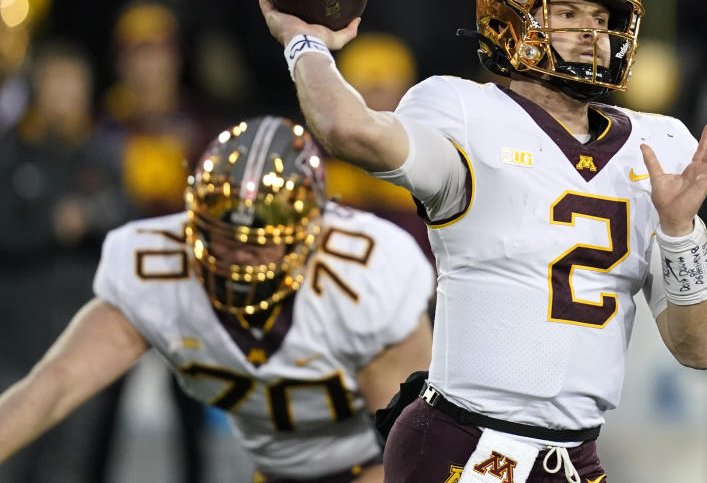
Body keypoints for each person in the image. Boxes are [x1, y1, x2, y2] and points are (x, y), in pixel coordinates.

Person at [259, 0, 707, 482]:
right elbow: (347, 129)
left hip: (575, 461)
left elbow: (703, 347)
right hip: (465, 448)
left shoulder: (657, 149)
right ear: (511, 20)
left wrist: (681, 230)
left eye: (603, 18)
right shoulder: (466, 114)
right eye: (569, 15)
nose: (593, 33)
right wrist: (304, 42)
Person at [0, 115, 435, 483]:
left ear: (310, 232)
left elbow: (417, 449)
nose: (240, 256)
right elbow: (53, 386)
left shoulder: (362, 277)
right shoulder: (157, 266)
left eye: (262, 239)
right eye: (225, 237)